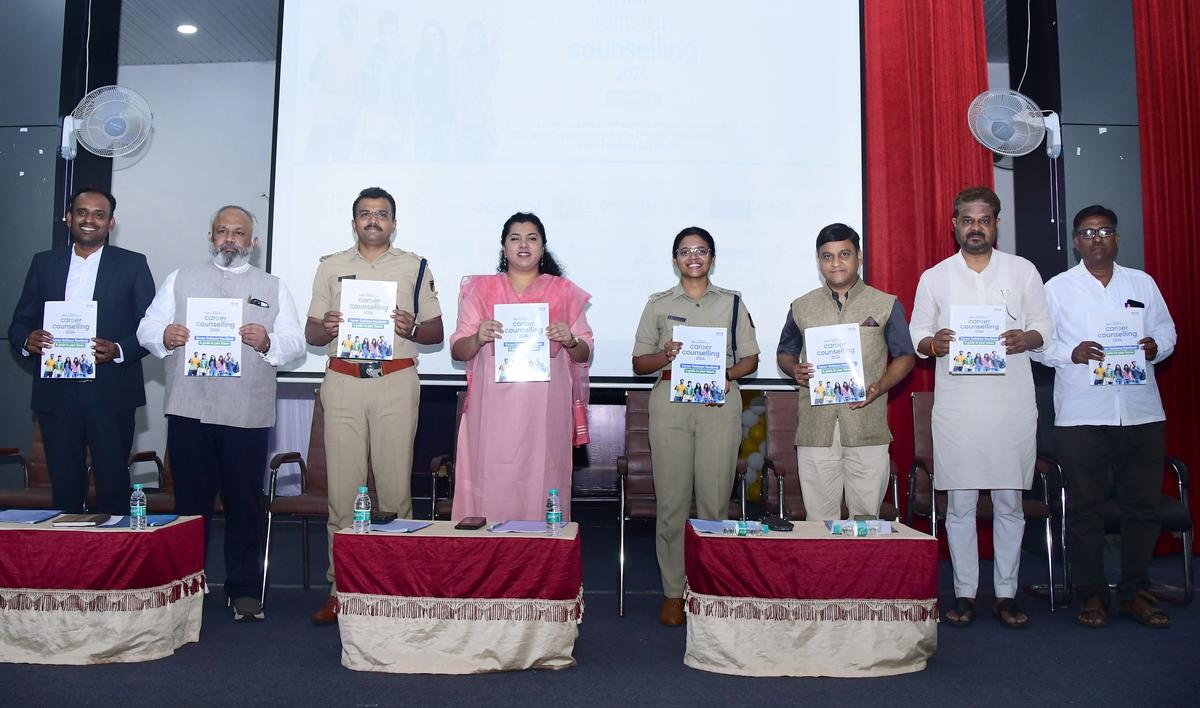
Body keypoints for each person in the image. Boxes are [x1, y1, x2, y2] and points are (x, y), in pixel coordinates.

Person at [137, 205, 304, 622]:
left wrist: (268, 342)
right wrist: (164, 335)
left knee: (244, 504)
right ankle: (184, 588)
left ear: (254, 241)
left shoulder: (274, 286)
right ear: (211, 237)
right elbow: (145, 327)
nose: (230, 238)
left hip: (245, 412)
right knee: (189, 505)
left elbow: (296, 343)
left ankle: (244, 590)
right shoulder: (180, 278)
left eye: (239, 232)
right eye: (222, 231)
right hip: (190, 409)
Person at [909, 186, 1052, 630]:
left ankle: (1006, 593)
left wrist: (1025, 339)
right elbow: (918, 335)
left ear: (996, 224)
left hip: (1010, 404)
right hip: (958, 408)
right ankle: (966, 593)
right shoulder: (935, 276)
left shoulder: (1022, 270)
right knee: (961, 505)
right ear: (954, 225)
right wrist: (935, 343)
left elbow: (1043, 327)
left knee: (1010, 502)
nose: (975, 227)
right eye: (967, 220)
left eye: (984, 220)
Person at [1031, 205, 1177, 629]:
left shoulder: (1141, 283)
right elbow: (1040, 344)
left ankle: (1136, 591)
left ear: (1117, 238)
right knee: (1085, 508)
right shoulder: (1057, 288)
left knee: (1143, 507)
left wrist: (1156, 347)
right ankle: (1091, 594)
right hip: (1082, 414)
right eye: (1087, 232)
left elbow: (1168, 331)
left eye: (1105, 231)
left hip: (1140, 412)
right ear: (1076, 241)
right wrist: (1068, 352)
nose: (1096, 238)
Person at [305, 187, 444, 625]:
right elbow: (311, 334)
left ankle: (397, 590)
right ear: (353, 223)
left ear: (393, 223)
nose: (373, 220)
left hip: (396, 381)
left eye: (381, 214)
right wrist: (326, 328)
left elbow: (436, 332)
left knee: (395, 494)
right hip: (344, 382)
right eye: (365, 214)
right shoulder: (330, 267)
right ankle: (340, 589)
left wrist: (413, 325)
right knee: (343, 499)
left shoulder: (415, 266)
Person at [632, 226, 759, 626]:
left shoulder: (733, 302)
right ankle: (673, 591)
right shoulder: (657, 304)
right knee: (670, 505)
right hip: (670, 405)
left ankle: (709, 590)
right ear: (675, 259)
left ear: (712, 258)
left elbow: (751, 361)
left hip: (719, 405)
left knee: (714, 503)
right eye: (685, 251)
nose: (693, 257)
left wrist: (727, 374)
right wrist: (665, 355)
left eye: (701, 250)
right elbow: (639, 364)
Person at [8, 187, 154, 514]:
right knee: (65, 486)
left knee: (113, 484)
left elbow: (150, 328)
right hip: (56, 394)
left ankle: (113, 561)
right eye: (82, 212)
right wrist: (26, 340)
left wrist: (118, 348)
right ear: (69, 217)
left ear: (110, 223)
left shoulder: (132, 265)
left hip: (111, 391)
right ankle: (67, 561)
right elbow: (19, 323)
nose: (90, 220)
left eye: (99, 214)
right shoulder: (44, 263)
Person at [449, 212, 593, 523]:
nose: (523, 244)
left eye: (532, 238)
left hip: (545, 412)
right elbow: (459, 348)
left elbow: (585, 351)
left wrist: (569, 339)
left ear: (543, 247)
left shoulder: (564, 292)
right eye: (515, 238)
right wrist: (478, 337)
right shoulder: (479, 290)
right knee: (491, 479)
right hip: (493, 410)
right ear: (504, 248)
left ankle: (540, 560)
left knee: (543, 480)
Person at [776, 223, 915, 521]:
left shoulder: (885, 304)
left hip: (867, 428)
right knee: (819, 522)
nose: (836, 263)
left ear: (859, 257)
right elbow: (785, 354)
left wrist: (880, 385)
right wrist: (794, 369)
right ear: (818, 261)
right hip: (816, 430)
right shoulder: (801, 306)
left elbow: (905, 356)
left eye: (844, 254)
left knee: (865, 521)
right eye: (827, 256)